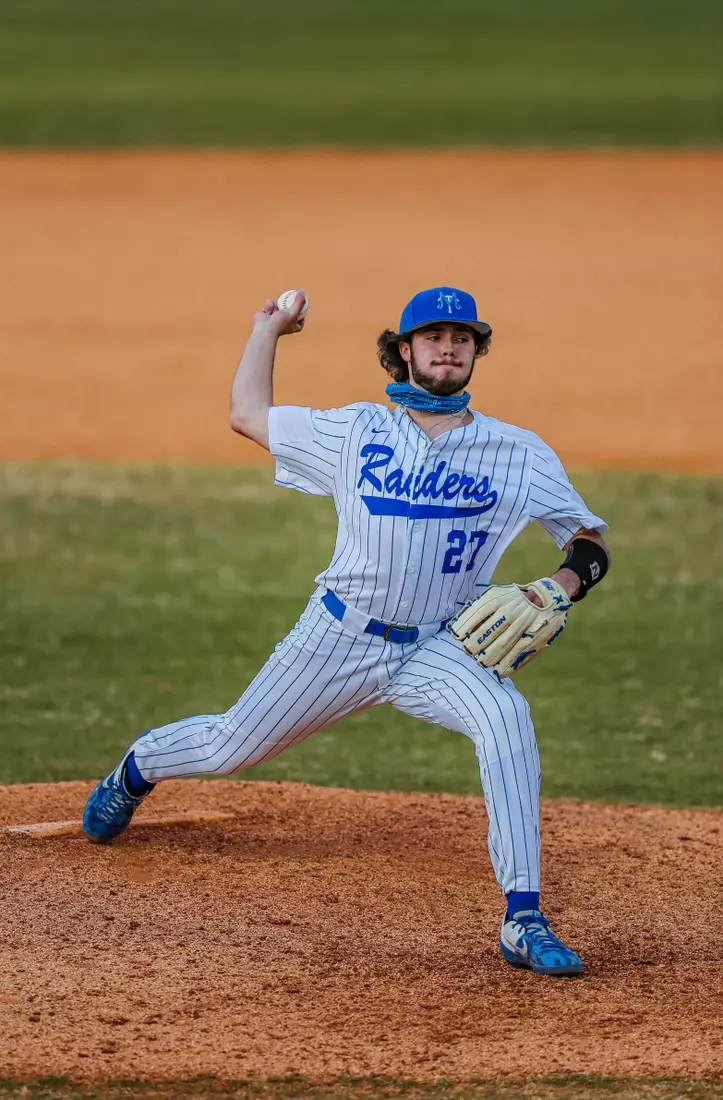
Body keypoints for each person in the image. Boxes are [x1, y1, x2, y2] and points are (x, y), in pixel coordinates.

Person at [83, 286, 610, 977]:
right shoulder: (354, 430)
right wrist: (268, 329)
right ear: (403, 351)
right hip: (337, 639)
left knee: (506, 717)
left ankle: (523, 917)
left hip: (441, 646)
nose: (446, 348)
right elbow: (246, 414)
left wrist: (556, 587)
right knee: (228, 748)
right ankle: (137, 768)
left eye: (460, 338)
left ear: (477, 350)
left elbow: (587, 543)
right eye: (431, 338)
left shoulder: (519, 452)